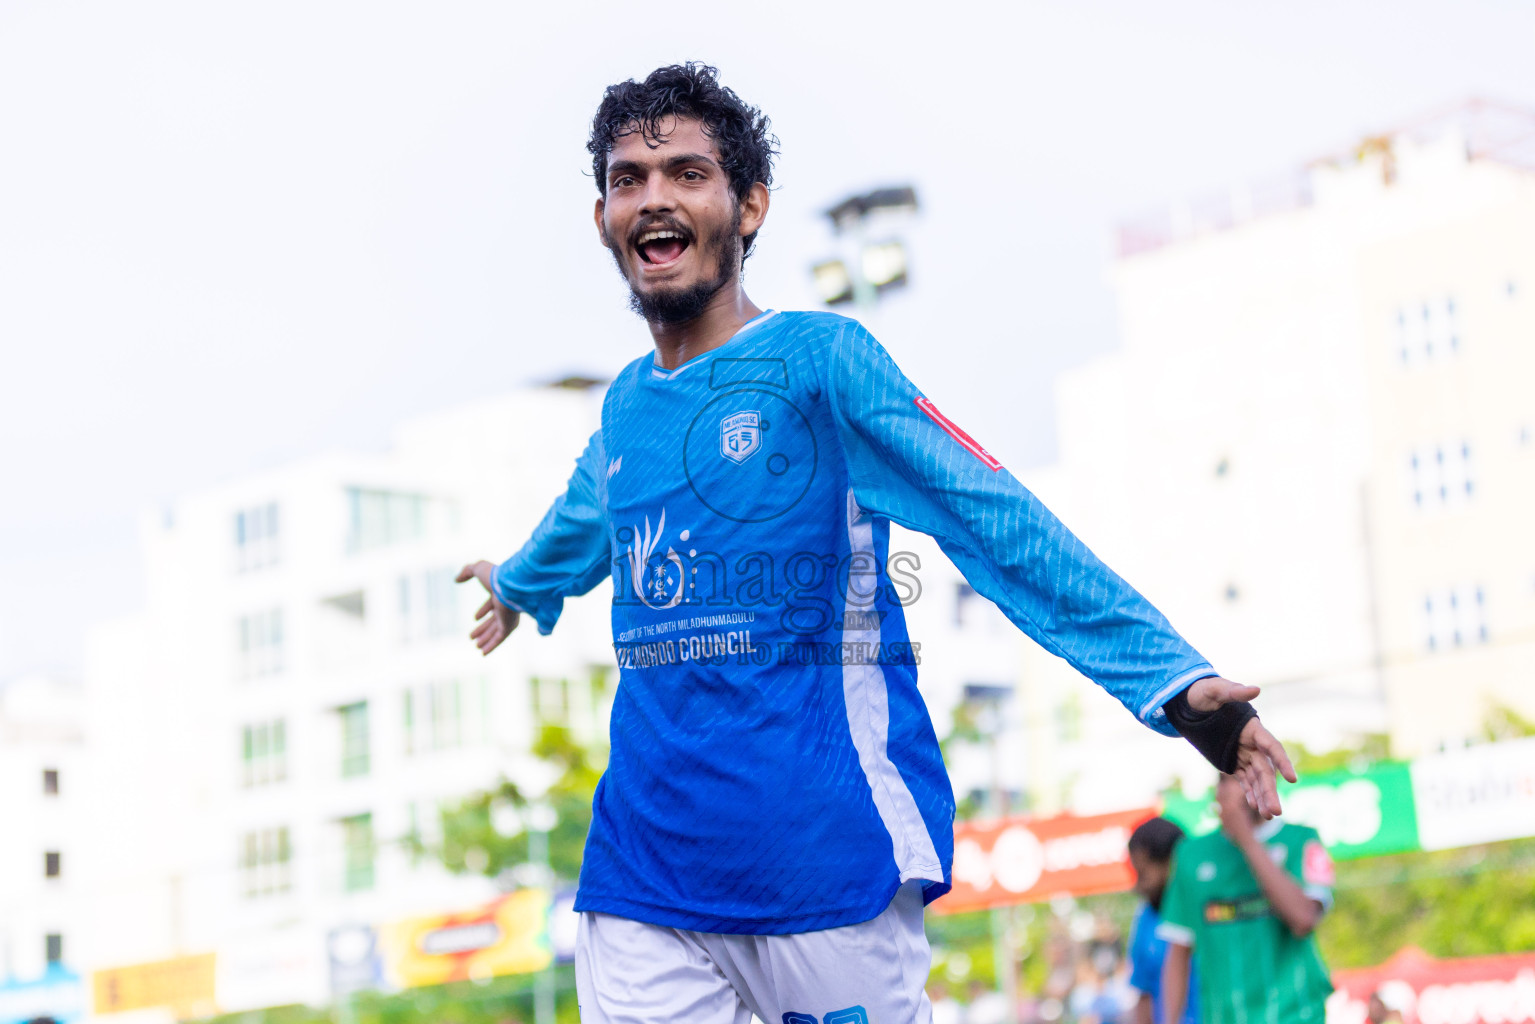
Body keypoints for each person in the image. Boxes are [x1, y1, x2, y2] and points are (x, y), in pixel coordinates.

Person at [456, 62, 1296, 1024]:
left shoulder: (821, 361)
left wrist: (1171, 683)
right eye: (627, 179)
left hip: (825, 860)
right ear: (603, 217)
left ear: (749, 205)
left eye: (687, 173)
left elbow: (992, 515)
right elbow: (583, 521)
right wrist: (519, 582)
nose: (653, 198)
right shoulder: (624, 407)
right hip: (643, 880)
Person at [1158, 775, 1334, 1024]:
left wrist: (1247, 840)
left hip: (1296, 1016)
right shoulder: (1190, 854)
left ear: (1267, 781)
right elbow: (1178, 950)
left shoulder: (1302, 840)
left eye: (1242, 778)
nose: (1228, 789)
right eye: (1222, 779)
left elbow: (1304, 918)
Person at [1126, 817, 1198, 1024]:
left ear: (1172, 863)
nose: (1139, 887)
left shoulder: (1208, 907)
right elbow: (1144, 993)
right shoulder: (1147, 918)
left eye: (1143, 874)